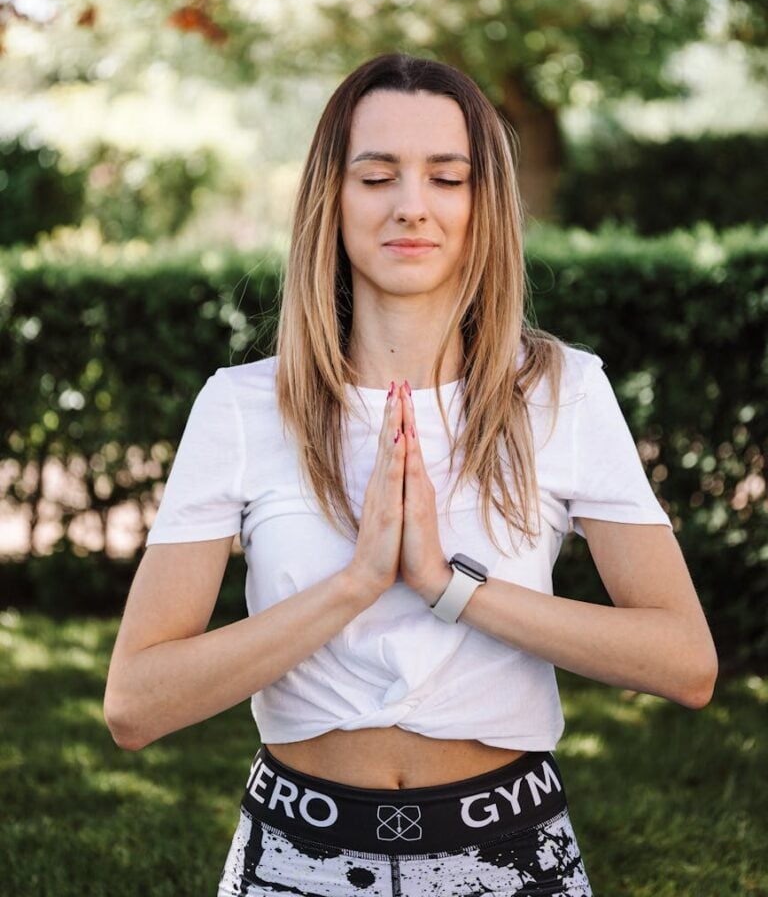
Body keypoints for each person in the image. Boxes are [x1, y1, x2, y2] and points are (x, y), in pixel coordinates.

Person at [104, 52, 718, 897]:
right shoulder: (242, 408)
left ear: (483, 202)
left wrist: (447, 586)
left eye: (447, 177)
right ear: (334, 198)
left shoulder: (561, 391)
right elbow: (136, 704)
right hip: (295, 857)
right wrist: (357, 583)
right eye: (377, 175)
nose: (411, 207)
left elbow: (686, 662)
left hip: (510, 855)